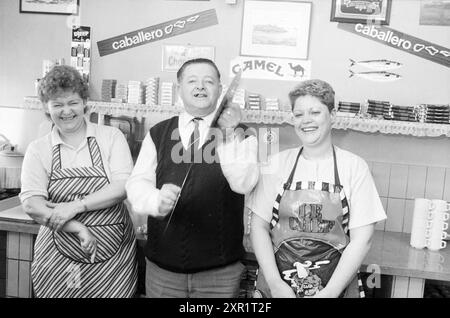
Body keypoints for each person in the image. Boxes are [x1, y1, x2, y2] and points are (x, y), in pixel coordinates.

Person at [126, 58, 258, 298]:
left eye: (209, 81)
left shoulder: (244, 133)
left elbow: (244, 183)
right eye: (192, 81)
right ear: (179, 89)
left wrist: (227, 136)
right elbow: (137, 183)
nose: (200, 87)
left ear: (220, 89)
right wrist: (155, 199)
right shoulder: (158, 132)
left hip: (219, 274)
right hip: (163, 271)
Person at [247, 79, 386, 298]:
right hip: (278, 287)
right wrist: (275, 284)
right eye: (299, 114)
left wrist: (330, 292)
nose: (306, 121)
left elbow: (363, 238)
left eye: (315, 112)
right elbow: (258, 227)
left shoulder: (354, 167)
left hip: (335, 287)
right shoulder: (276, 164)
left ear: (332, 115)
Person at [20, 65, 137, 298]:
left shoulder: (111, 137)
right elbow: (32, 204)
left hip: (112, 263)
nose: (66, 111)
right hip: (57, 256)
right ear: (46, 108)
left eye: (72, 102)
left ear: (85, 102)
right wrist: (77, 227)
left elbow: (122, 187)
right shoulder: (39, 149)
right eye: (57, 104)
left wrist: (75, 206)